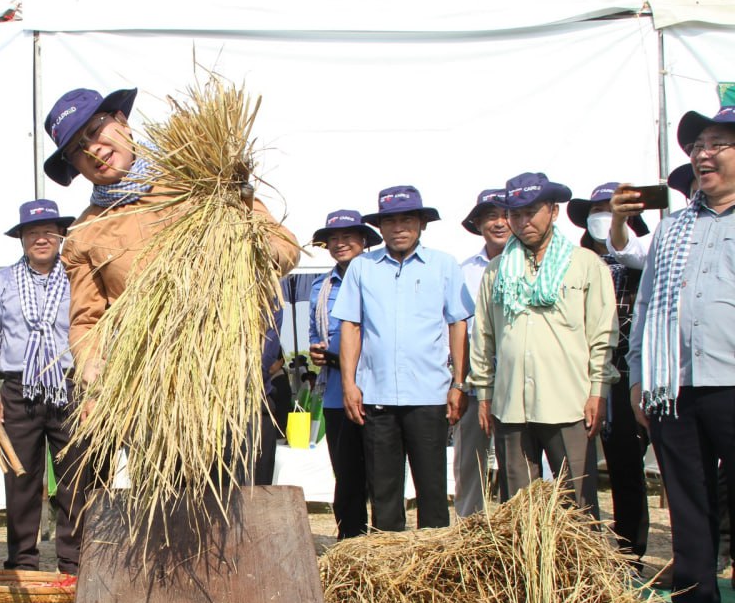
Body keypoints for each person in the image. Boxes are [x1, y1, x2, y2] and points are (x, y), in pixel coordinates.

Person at [44, 86, 302, 425]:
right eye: (78, 149)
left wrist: (245, 250)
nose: (93, 149)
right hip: (152, 401)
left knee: (245, 481)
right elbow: (87, 321)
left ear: (122, 121)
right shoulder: (83, 234)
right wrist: (91, 366)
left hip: (234, 384)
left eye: (94, 131)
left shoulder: (197, 176)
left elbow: (284, 244)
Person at [629, 105, 735, 603]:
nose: (703, 153)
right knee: (688, 501)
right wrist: (638, 375)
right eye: (698, 145)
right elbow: (646, 308)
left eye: (718, 144)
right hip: (675, 386)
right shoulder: (672, 229)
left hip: (732, 381)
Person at [471, 172, 617, 512]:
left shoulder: (584, 264)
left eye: (531, 212)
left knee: (577, 502)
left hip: (567, 399)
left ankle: (578, 566)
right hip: (510, 403)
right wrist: (484, 393)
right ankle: (525, 566)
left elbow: (601, 334)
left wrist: (599, 390)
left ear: (553, 211)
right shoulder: (496, 271)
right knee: (517, 505)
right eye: (515, 214)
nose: (523, 222)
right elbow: (485, 337)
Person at [334, 185, 472, 532]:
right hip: (377, 396)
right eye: (390, 221)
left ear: (422, 224)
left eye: (407, 219)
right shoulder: (362, 267)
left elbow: (458, 322)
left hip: (428, 395)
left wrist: (459, 382)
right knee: (384, 495)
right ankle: (389, 575)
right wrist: (349, 384)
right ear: (380, 227)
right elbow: (351, 325)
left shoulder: (444, 265)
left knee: (433, 492)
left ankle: (437, 573)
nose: (399, 228)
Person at [0, 199, 82, 573]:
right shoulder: (2, 282)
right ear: (21, 239)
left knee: (76, 475)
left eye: (48, 232)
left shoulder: (78, 278)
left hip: (69, 387)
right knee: (21, 479)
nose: (41, 239)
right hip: (18, 388)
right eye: (32, 233)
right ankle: (22, 561)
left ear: (60, 236)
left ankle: (73, 561)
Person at [568, 182, 653, 561]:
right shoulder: (574, 261)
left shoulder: (643, 262)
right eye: (597, 208)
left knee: (626, 465)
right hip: (577, 373)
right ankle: (580, 552)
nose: (603, 214)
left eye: (611, 208)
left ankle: (630, 552)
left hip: (624, 373)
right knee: (574, 467)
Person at [306, 209, 380, 537]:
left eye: (347, 237)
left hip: (377, 390)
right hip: (337, 394)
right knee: (346, 474)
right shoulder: (320, 287)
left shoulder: (381, 278)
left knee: (381, 473)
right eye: (333, 239)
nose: (340, 243)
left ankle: (384, 539)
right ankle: (349, 540)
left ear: (363, 240)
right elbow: (314, 332)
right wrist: (319, 352)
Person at [453, 189, 509, 518]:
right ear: (478, 223)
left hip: (517, 384)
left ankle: (520, 538)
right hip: (475, 384)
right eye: (490, 216)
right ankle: (468, 534)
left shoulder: (530, 266)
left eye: (505, 215)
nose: (499, 223)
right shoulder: (464, 271)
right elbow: (456, 328)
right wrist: (459, 383)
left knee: (519, 467)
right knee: (470, 464)